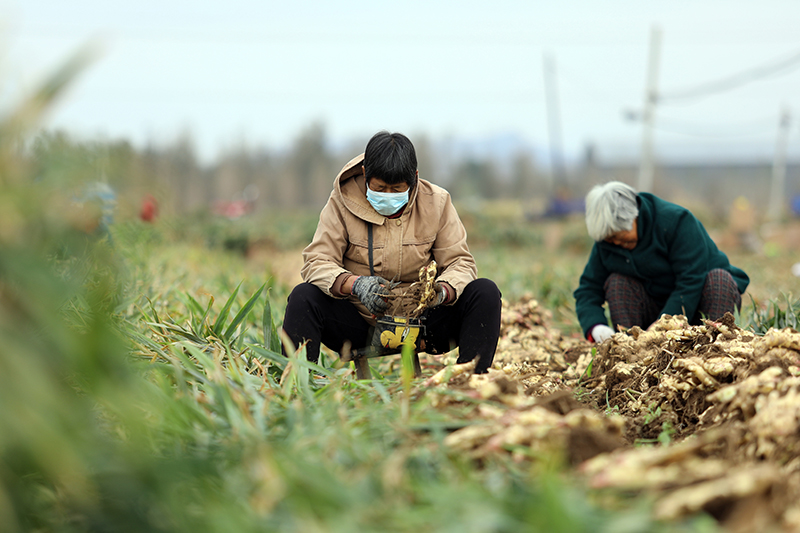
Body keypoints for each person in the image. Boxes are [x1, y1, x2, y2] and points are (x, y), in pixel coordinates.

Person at [282, 131, 501, 374]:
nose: (387, 195)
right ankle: (297, 387)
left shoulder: (437, 203)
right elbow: (317, 261)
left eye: (397, 189)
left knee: (485, 293)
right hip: (361, 323)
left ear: (414, 179)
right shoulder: (341, 202)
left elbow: (461, 262)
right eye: (379, 188)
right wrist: (355, 285)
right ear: (365, 174)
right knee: (303, 297)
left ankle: (470, 383)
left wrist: (442, 291)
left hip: (422, 323)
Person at [574, 181, 749, 343]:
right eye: (610, 239)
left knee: (720, 279)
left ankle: (713, 345)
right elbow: (588, 290)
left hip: (698, 306)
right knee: (618, 283)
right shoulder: (607, 243)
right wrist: (597, 327)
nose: (617, 244)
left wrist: (663, 325)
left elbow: (691, 280)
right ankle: (631, 351)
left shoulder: (676, 221)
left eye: (620, 237)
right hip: (652, 311)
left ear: (633, 216)